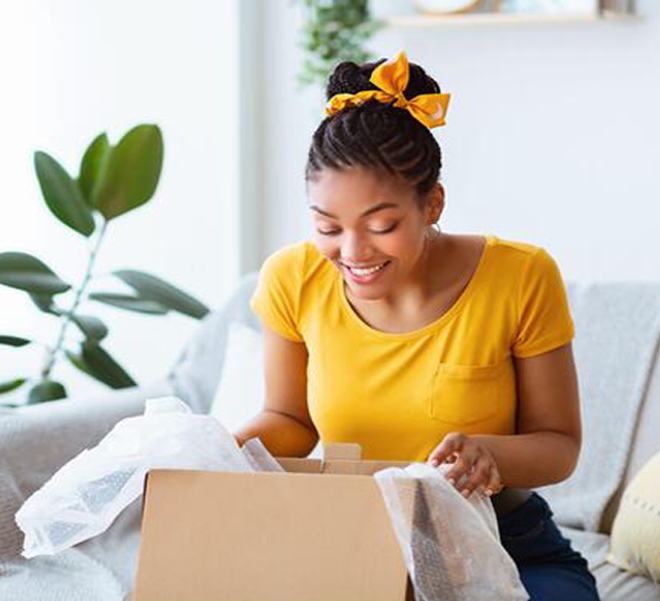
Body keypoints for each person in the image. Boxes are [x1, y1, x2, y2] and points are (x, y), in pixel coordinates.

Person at [235, 50, 600, 601]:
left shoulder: (521, 275)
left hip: (502, 536)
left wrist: (491, 455)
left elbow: (560, 445)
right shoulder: (292, 277)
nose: (352, 252)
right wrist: (213, 449)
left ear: (433, 203)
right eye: (327, 226)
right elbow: (290, 420)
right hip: (353, 535)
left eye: (381, 225)